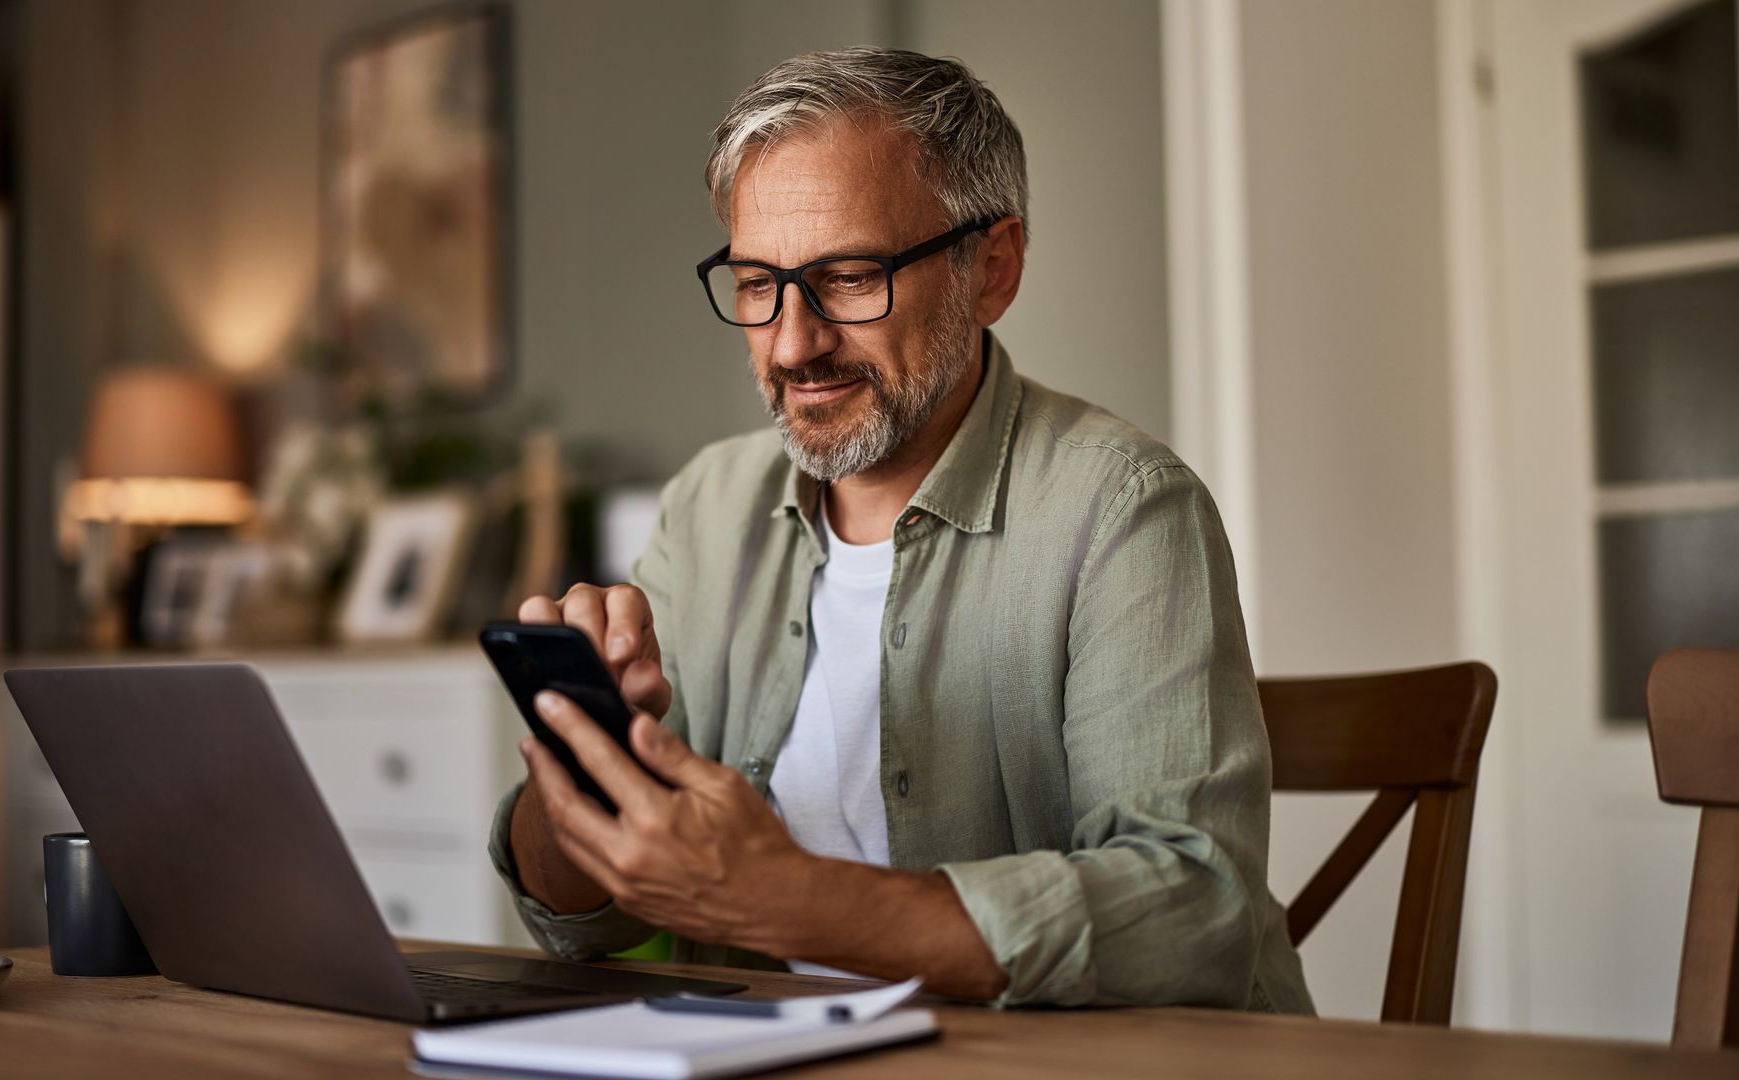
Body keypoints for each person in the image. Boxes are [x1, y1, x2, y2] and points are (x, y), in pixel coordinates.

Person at [490, 46, 1314, 1012]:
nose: (794, 343)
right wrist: (582, 769)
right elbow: (576, 919)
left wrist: (787, 900)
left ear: (992, 268)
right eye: (758, 284)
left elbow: (1191, 914)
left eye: (847, 276)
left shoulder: (1125, 509)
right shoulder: (707, 507)